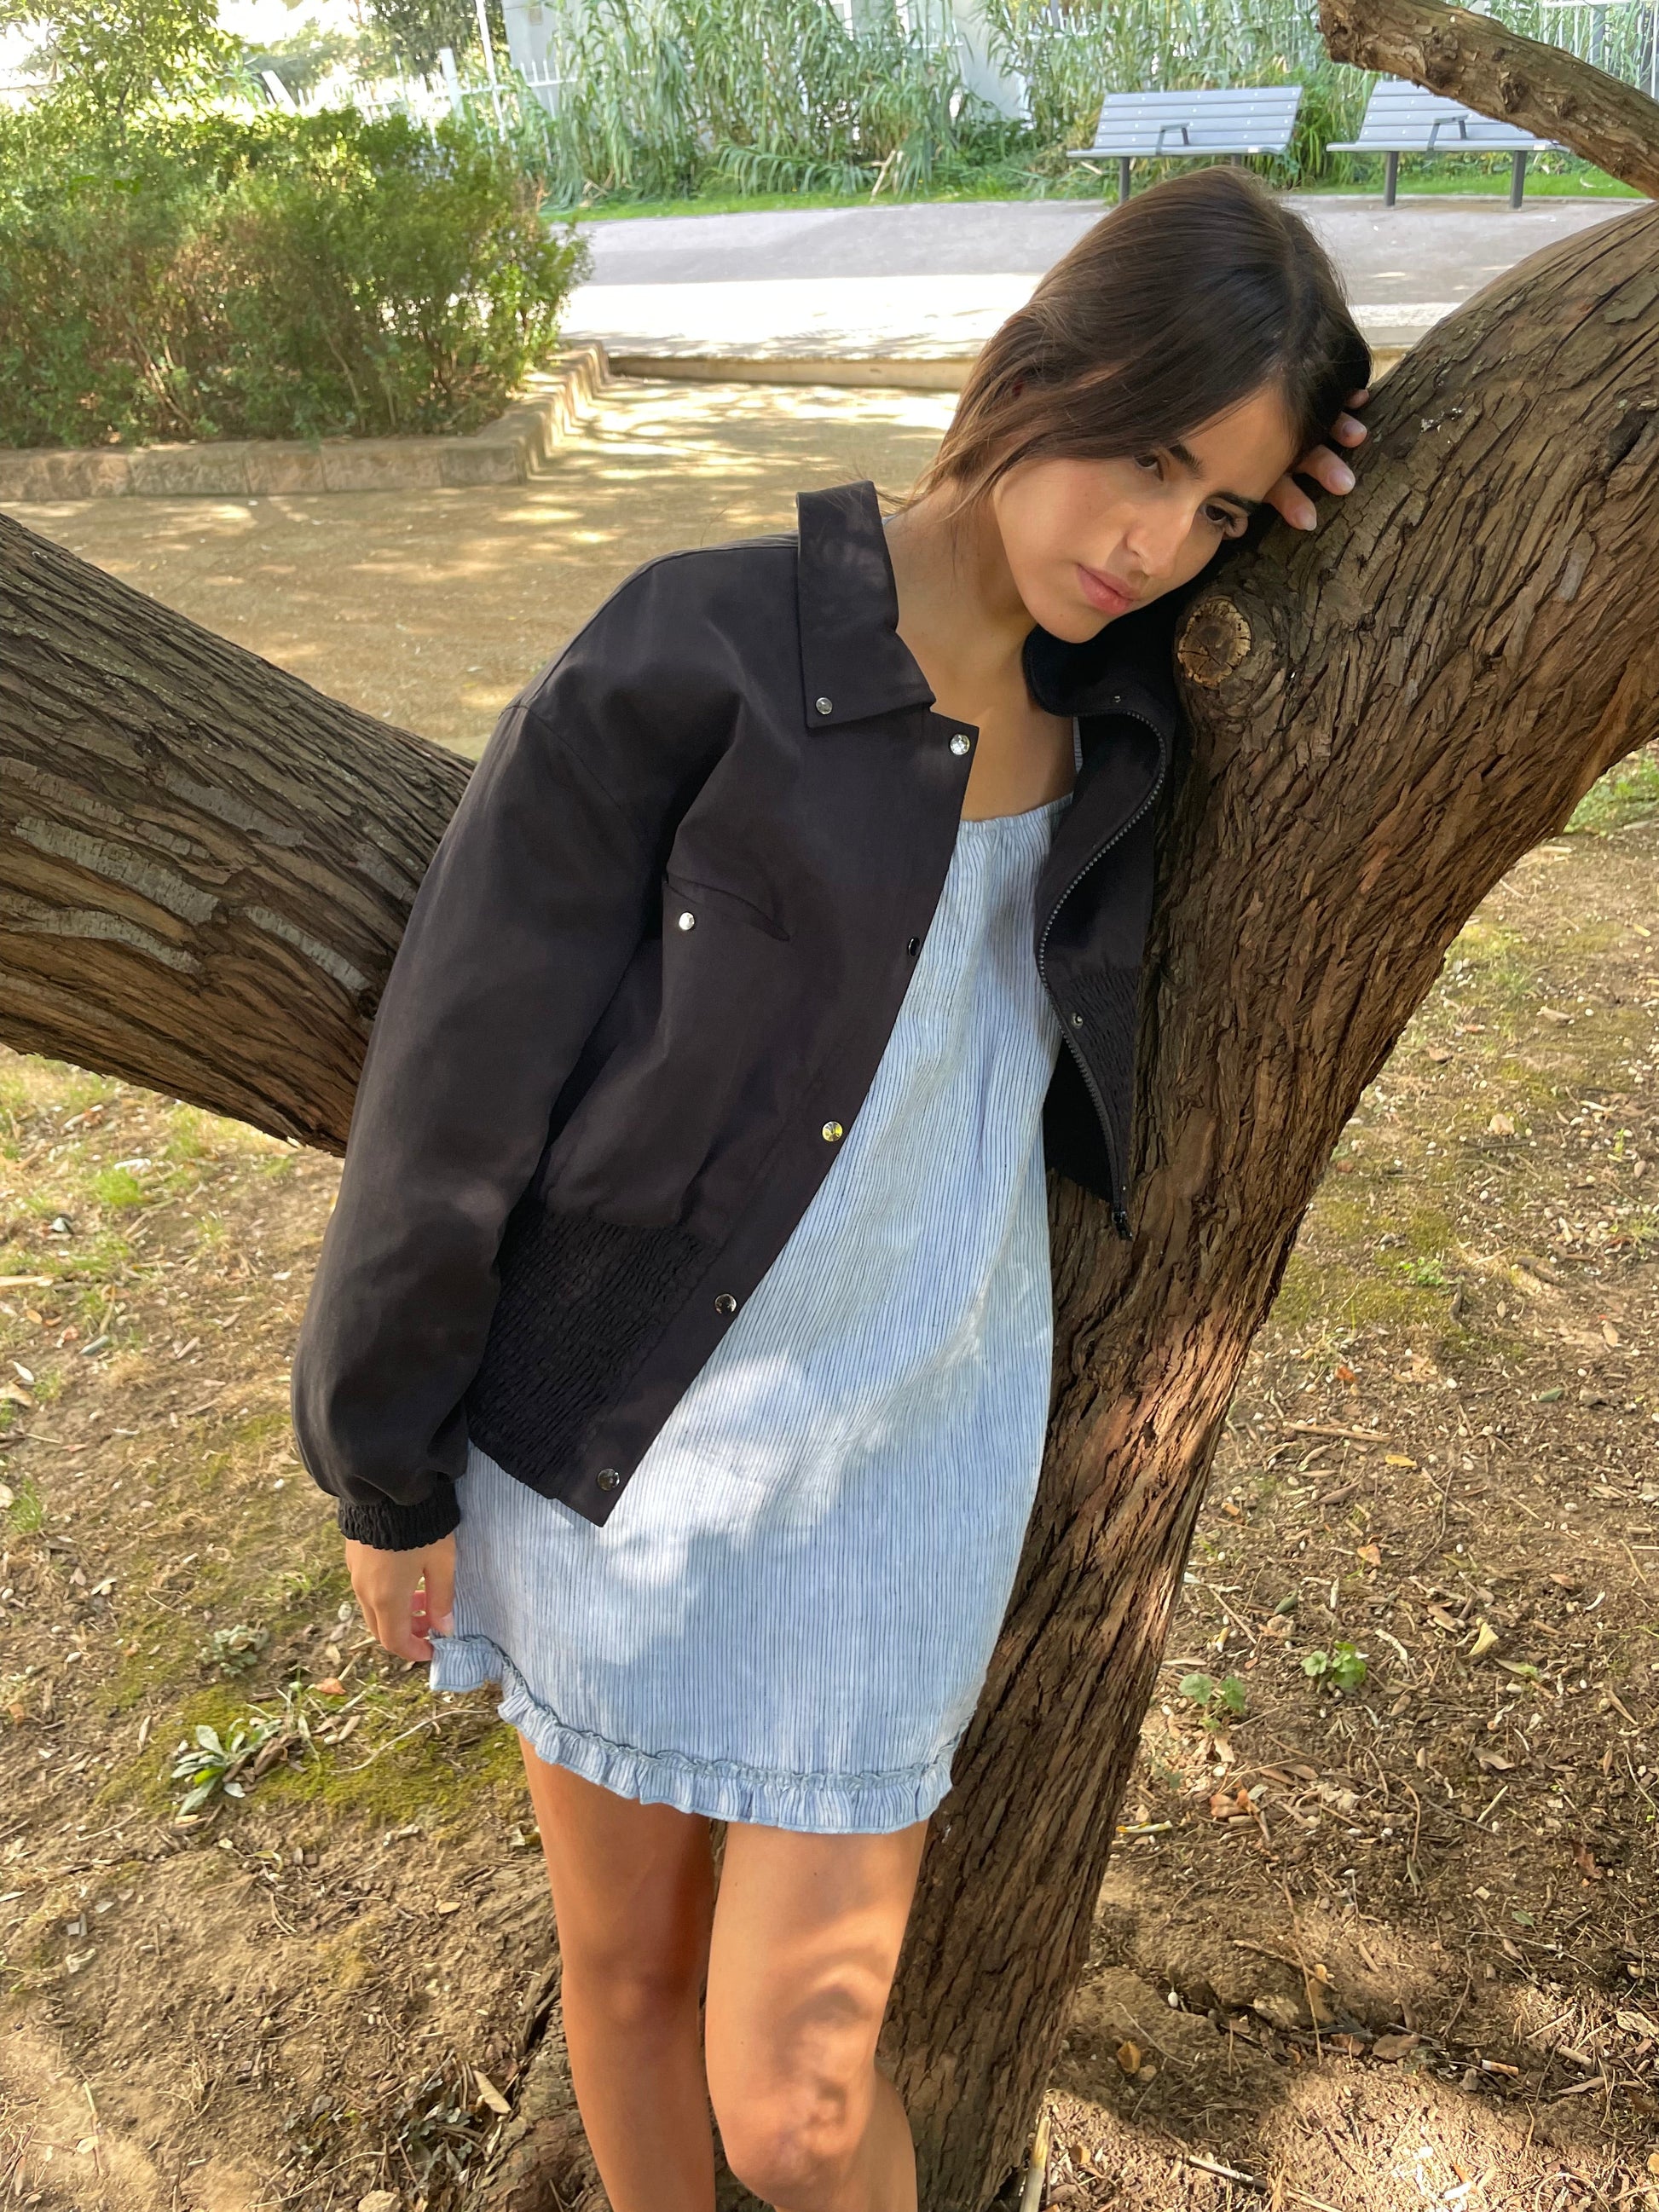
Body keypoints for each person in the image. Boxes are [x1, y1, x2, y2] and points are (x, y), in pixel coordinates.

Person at [292, 166, 1370, 2212]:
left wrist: (1317, 489)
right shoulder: (698, 642)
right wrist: (384, 1457)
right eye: (1140, 456)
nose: (1147, 543)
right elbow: (457, 1073)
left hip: (903, 1472)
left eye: (1215, 508)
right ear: (1040, 367)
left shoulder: (1131, 692)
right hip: (612, 1439)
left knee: (793, 2104)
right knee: (622, 1968)